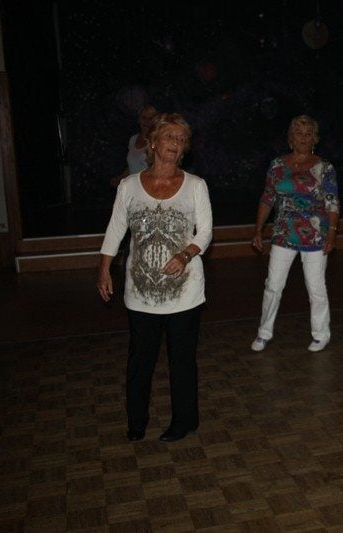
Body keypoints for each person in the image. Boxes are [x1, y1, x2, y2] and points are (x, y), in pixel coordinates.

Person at [97, 112, 212, 443]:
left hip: (185, 291)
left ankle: (184, 421)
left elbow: (205, 232)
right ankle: (136, 422)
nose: (176, 144)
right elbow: (116, 229)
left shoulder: (195, 185)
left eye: (181, 139)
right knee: (140, 361)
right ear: (153, 142)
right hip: (141, 290)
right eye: (170, 137)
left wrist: (184, 255)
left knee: (182, 361)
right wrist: (104, 269)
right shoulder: (129, 186)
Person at [250, 114, 340, 352]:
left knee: (316, 287)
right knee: (273, 285)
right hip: (283, 233)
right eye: (299, 133)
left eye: (308, 134)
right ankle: (264, 333)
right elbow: (268, 198)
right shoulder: (277, 165)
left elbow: (332, 203)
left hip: (315, 235)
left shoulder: (325, 167)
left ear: (315, 139)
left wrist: (331, 234)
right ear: (291, 138)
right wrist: (258, 229)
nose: (303, 138)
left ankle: (321, 334)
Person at [110, 104, 158, 188]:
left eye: (150, 118)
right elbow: (132, 166)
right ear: (138, 120)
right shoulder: (133, 139)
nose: (147, 121)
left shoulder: (158, 142)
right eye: (144, 118)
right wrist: (119, 179)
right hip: (133, 188)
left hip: (148, 188)